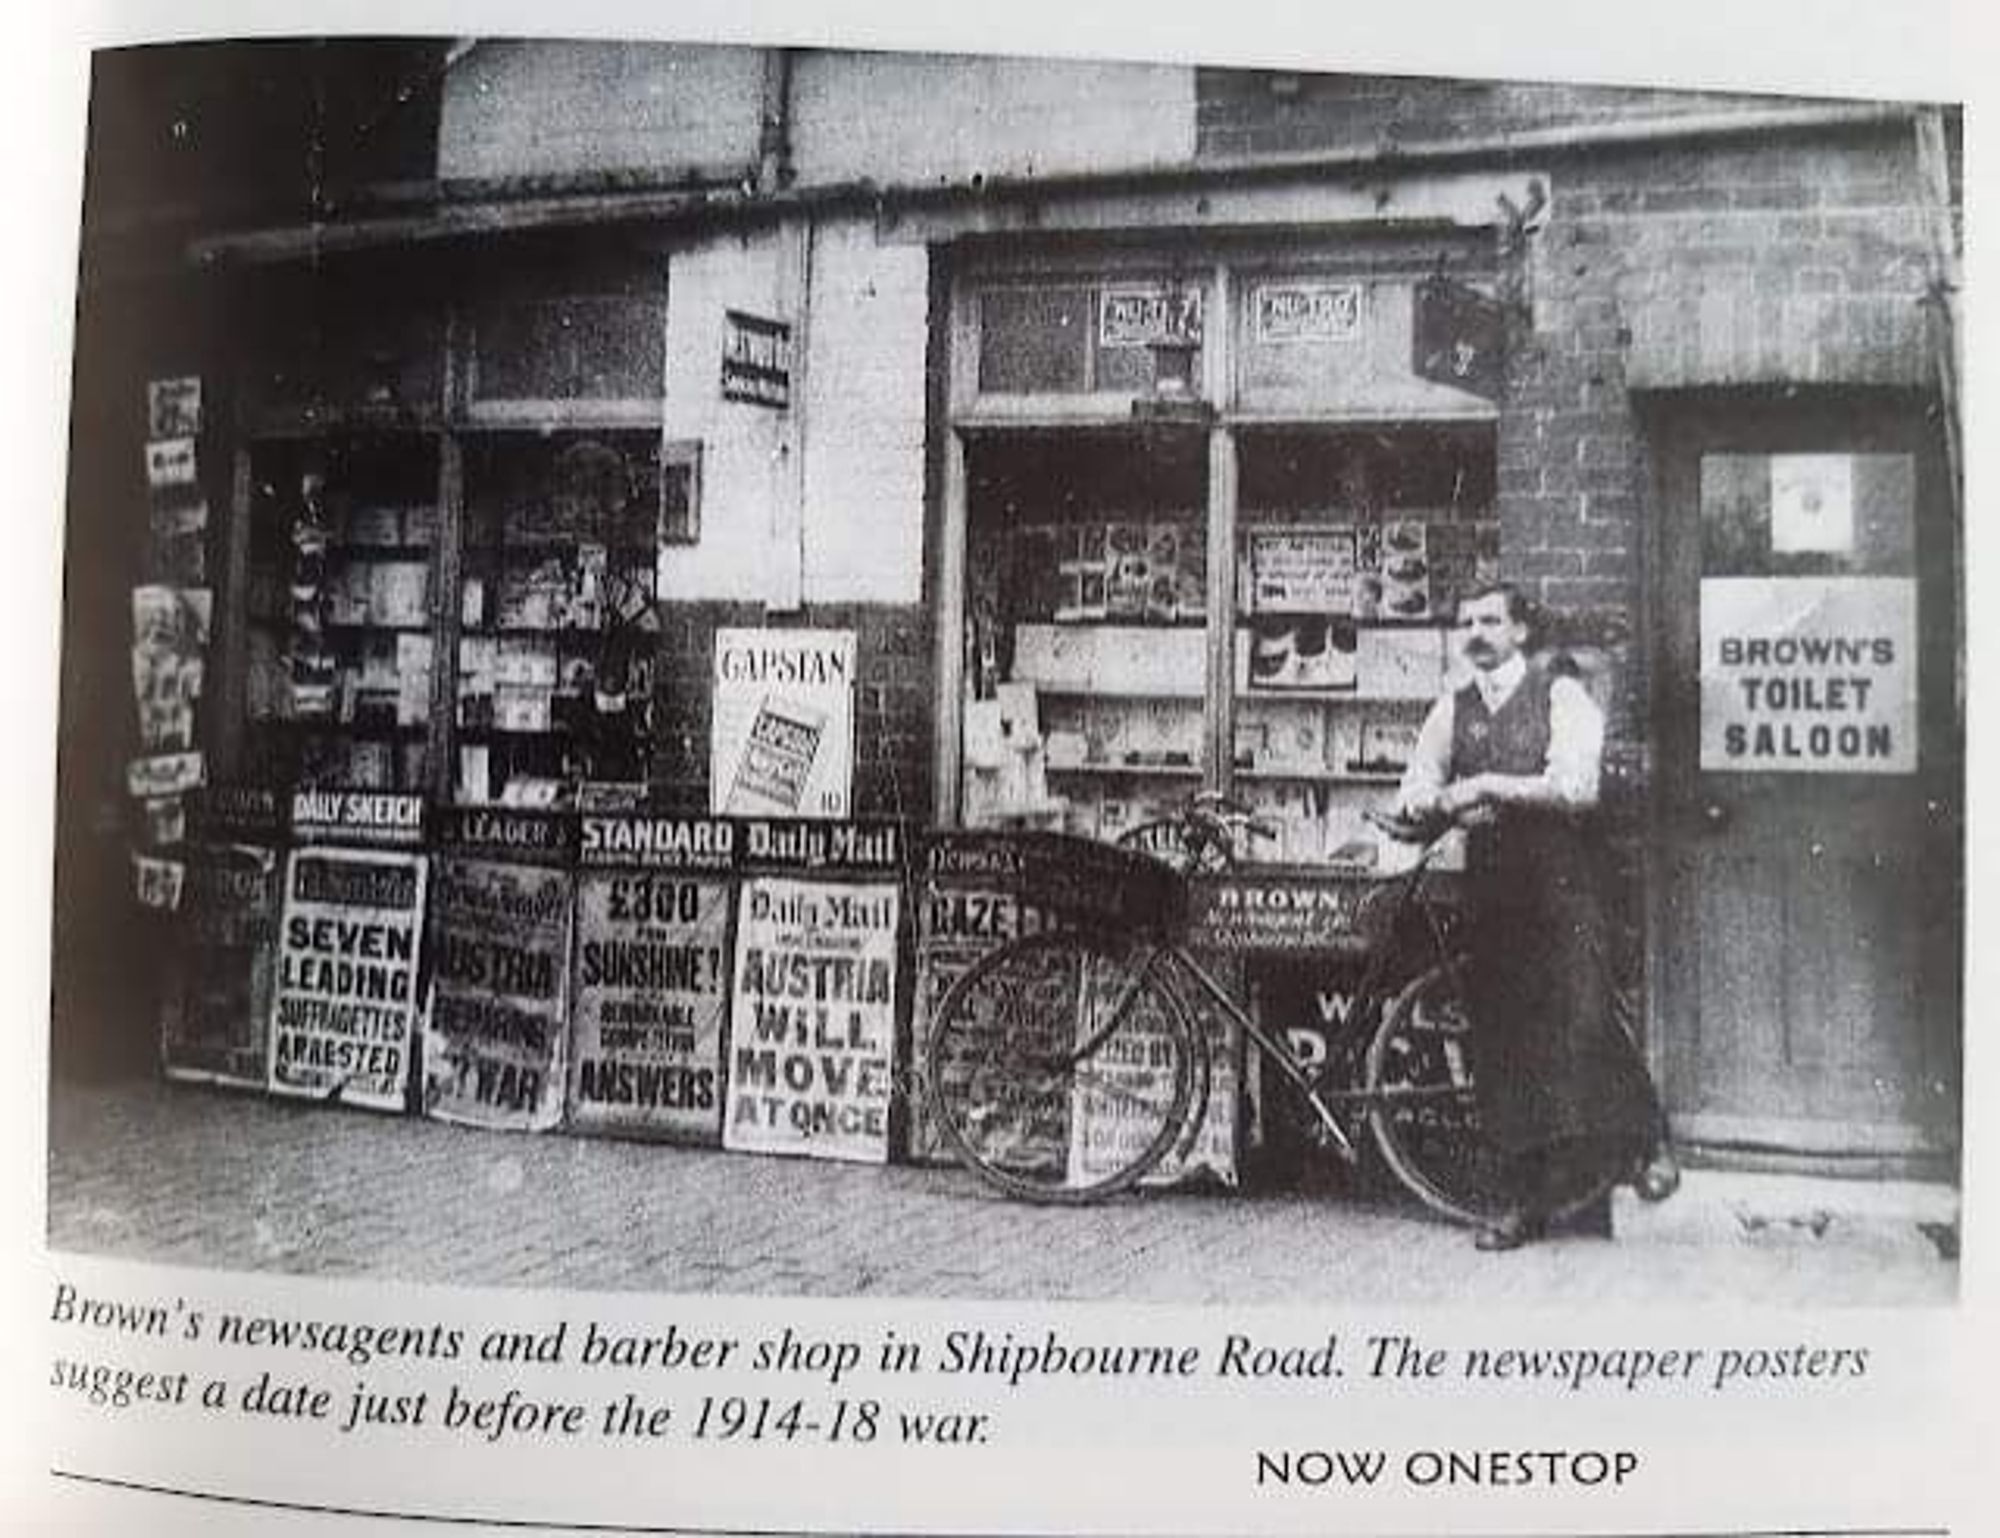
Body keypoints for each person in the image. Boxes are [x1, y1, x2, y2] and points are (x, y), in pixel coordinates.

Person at [1395, 581, 1677, 1251]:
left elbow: (1577, 787)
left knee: (1585, 1017)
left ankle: (1645, 1147)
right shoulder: (1452, 708)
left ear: (1521, 631)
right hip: (1493, 892)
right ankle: (1520, 1204)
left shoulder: (1559, 694)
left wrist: (1490, 786)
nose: (1475, 633)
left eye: (1490, 620)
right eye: (1467, 621)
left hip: (1562, 886)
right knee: (1502, 1046)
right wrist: (1429, 804)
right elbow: (1418, 784)